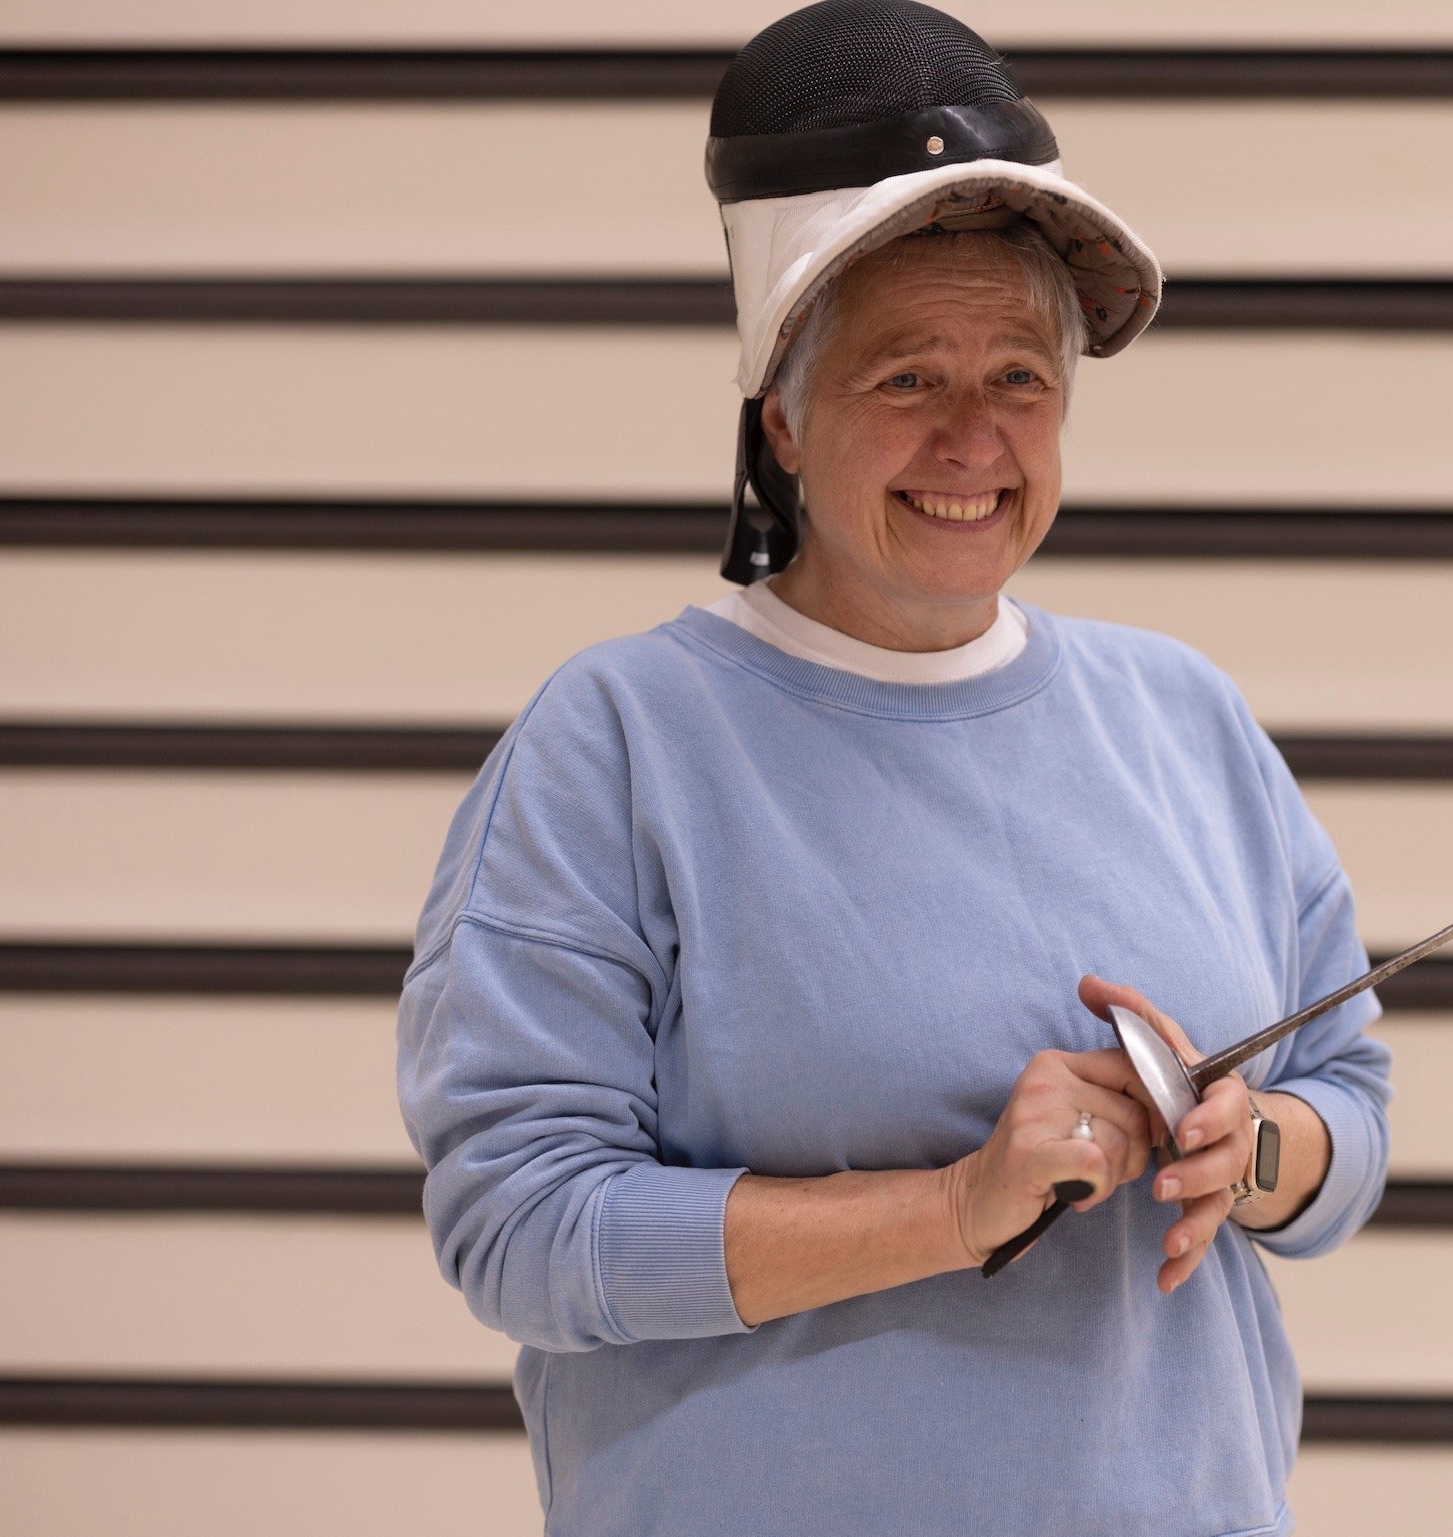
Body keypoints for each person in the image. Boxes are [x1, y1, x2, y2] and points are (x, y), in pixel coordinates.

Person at [396, 5, 1391, 1533]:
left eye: (1019, 375)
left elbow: (1348, 1109)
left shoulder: (1182, 716)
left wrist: (1241, 1147)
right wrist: (950, 1208)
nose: (972, 439)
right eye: (905, 378)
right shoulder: (618, 745)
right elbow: (519, 1226)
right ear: (782, 415)